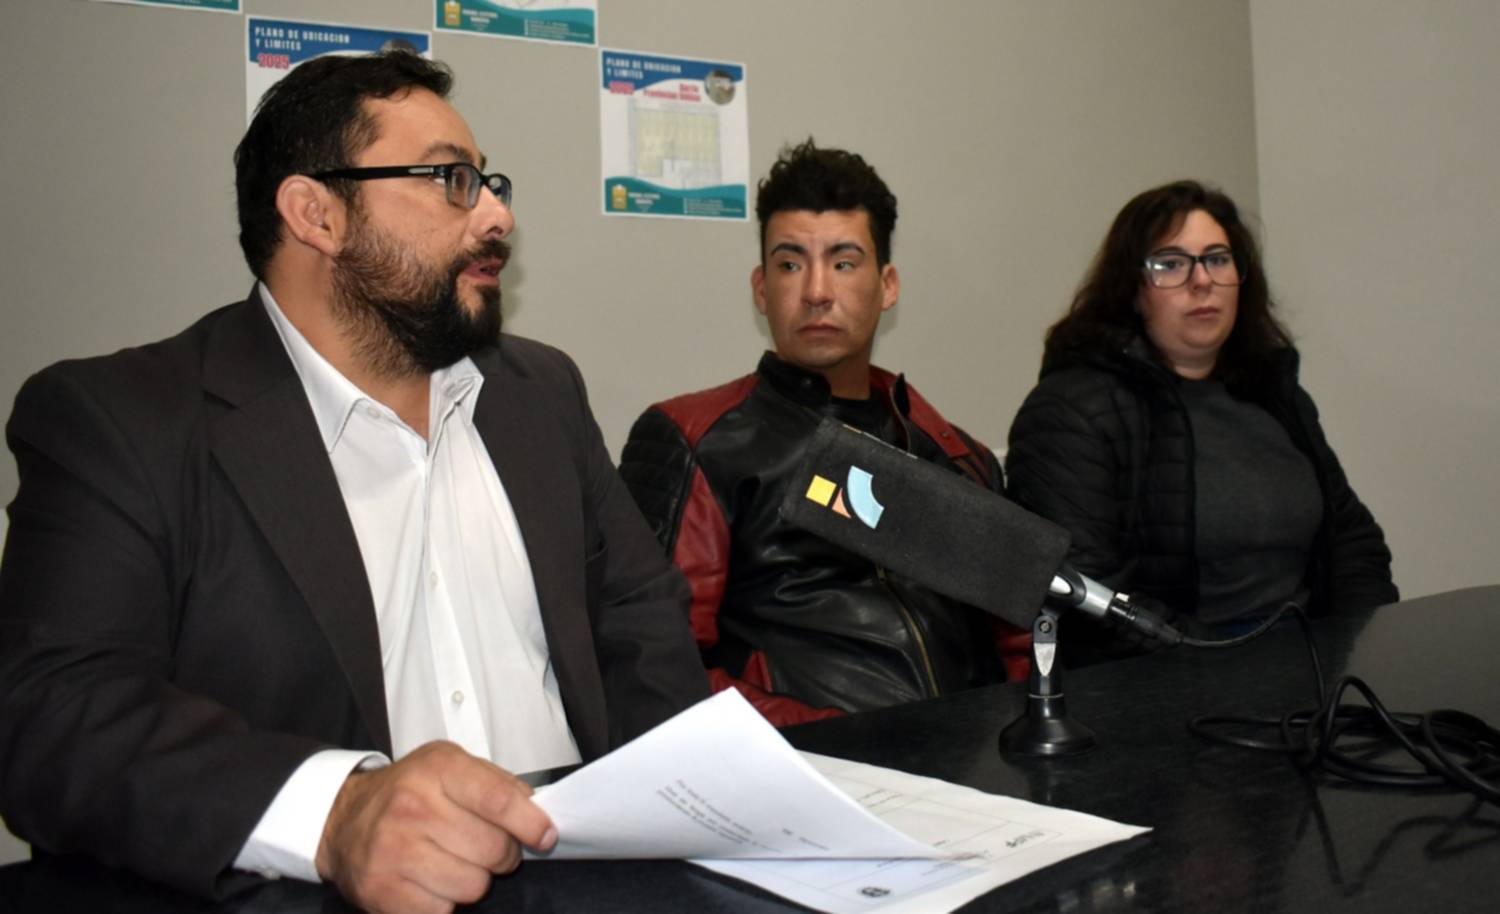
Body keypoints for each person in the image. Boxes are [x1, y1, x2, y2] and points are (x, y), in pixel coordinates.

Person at [0, 51, 708, 913]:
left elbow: (642, 625)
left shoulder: (542, 393)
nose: (498, 216)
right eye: (450, 180)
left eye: (488, 182)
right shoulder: (124, 422)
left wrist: (696, 817)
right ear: (316, 215)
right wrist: (336, 815)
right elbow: (51, 716)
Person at [618, 139, 1027, 728]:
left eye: (843, 262)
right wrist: (843, 741)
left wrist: (1006, 744)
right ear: (761, 289)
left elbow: (1022, 645)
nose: (815, 291)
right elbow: (660, 668)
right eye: (790, 264)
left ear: (887, 285)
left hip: (973, 758)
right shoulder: (698, 440)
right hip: (813, 763)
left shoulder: (953, 453)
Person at [1006, 180, 1397, 664]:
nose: (1202, 281)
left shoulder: (1274, 392)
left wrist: (1358, 647)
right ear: (1131, 290)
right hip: (1169, 680)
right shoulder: (1070, 410)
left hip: (1309, 662)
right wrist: (1242, 668)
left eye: (1217, 259)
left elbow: (1353, 543)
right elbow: (1090, 598)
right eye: (1170, 264)